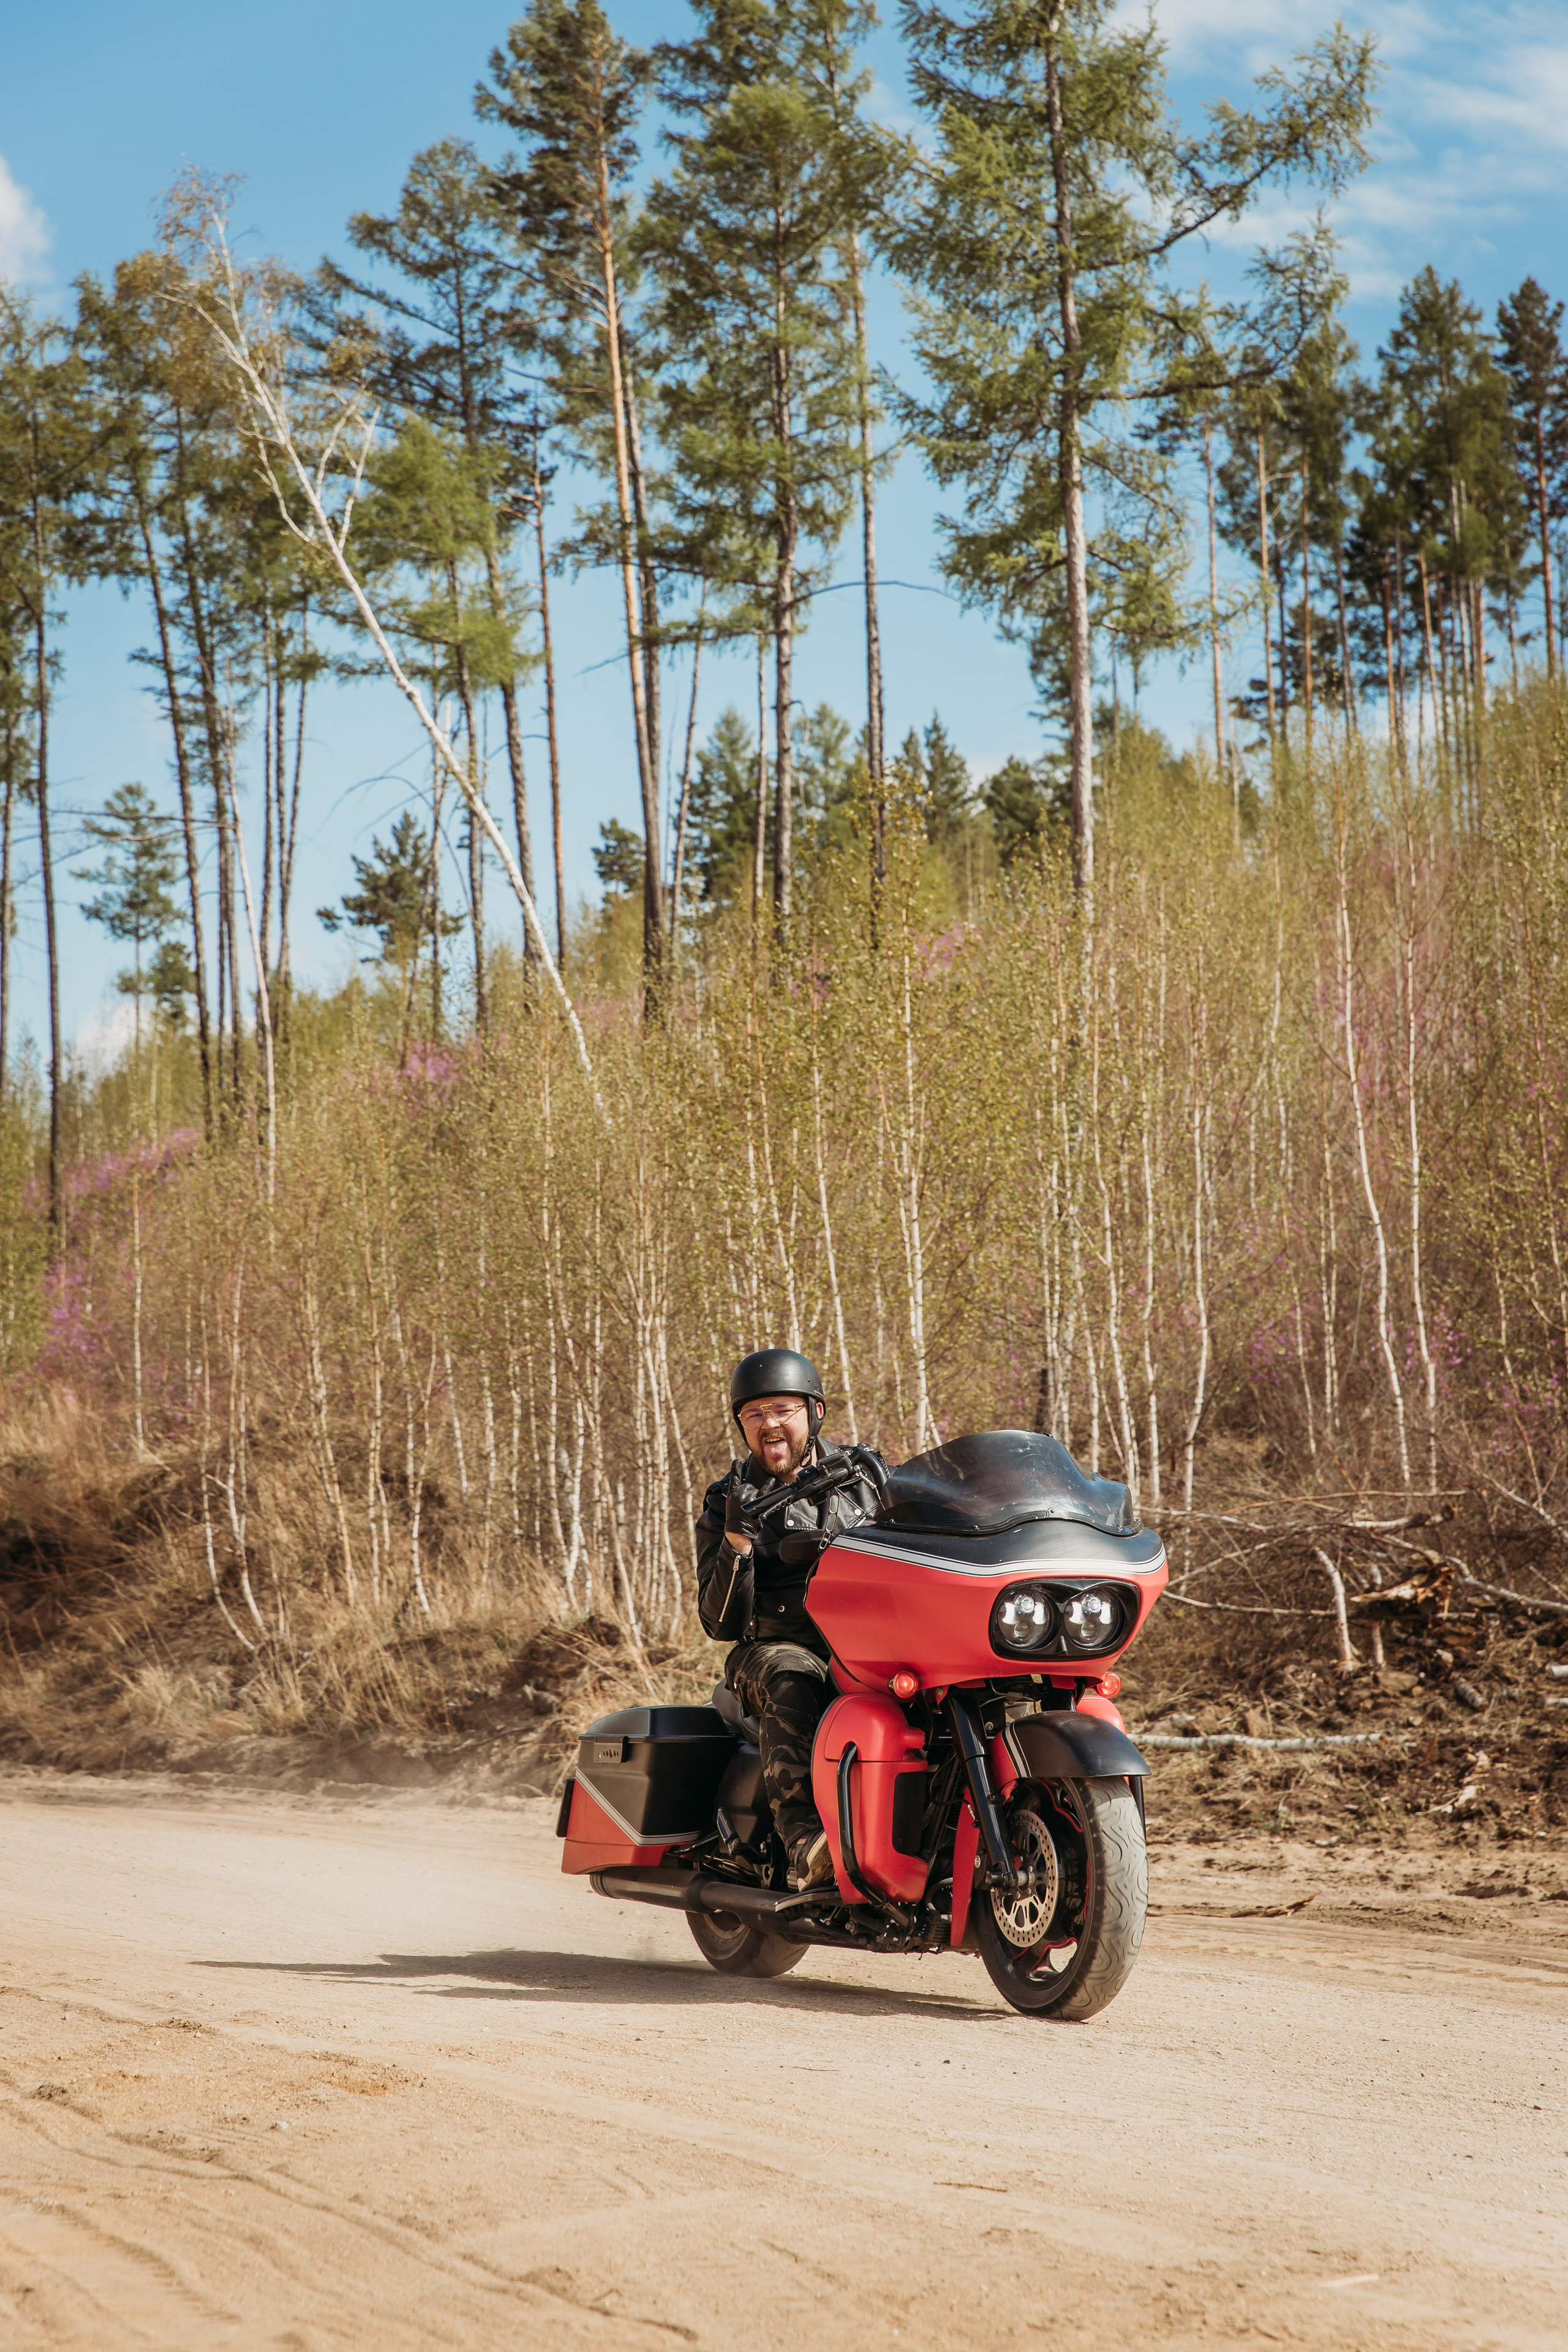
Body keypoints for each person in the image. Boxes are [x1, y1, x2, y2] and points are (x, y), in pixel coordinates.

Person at [695, 1348, 888, 1890]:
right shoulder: (730, 1500)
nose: (768, 1425)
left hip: (871, 1647)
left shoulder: (866, 1478)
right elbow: (721, 1624)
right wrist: (737, 1541)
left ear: (814, 1411)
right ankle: (805, 1843)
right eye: (753, 1415)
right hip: (775, 1647)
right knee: (795, 1679)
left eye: (781, 1409)